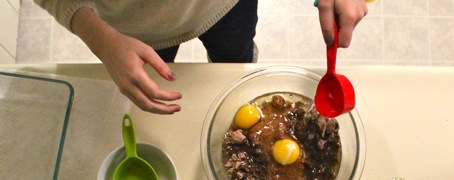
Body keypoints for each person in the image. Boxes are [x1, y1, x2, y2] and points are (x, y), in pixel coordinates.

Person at [35, 0, 369, 115]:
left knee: (236, 58)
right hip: (134, 30)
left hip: (227, 6)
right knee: (154, 91)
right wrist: (98, 37)